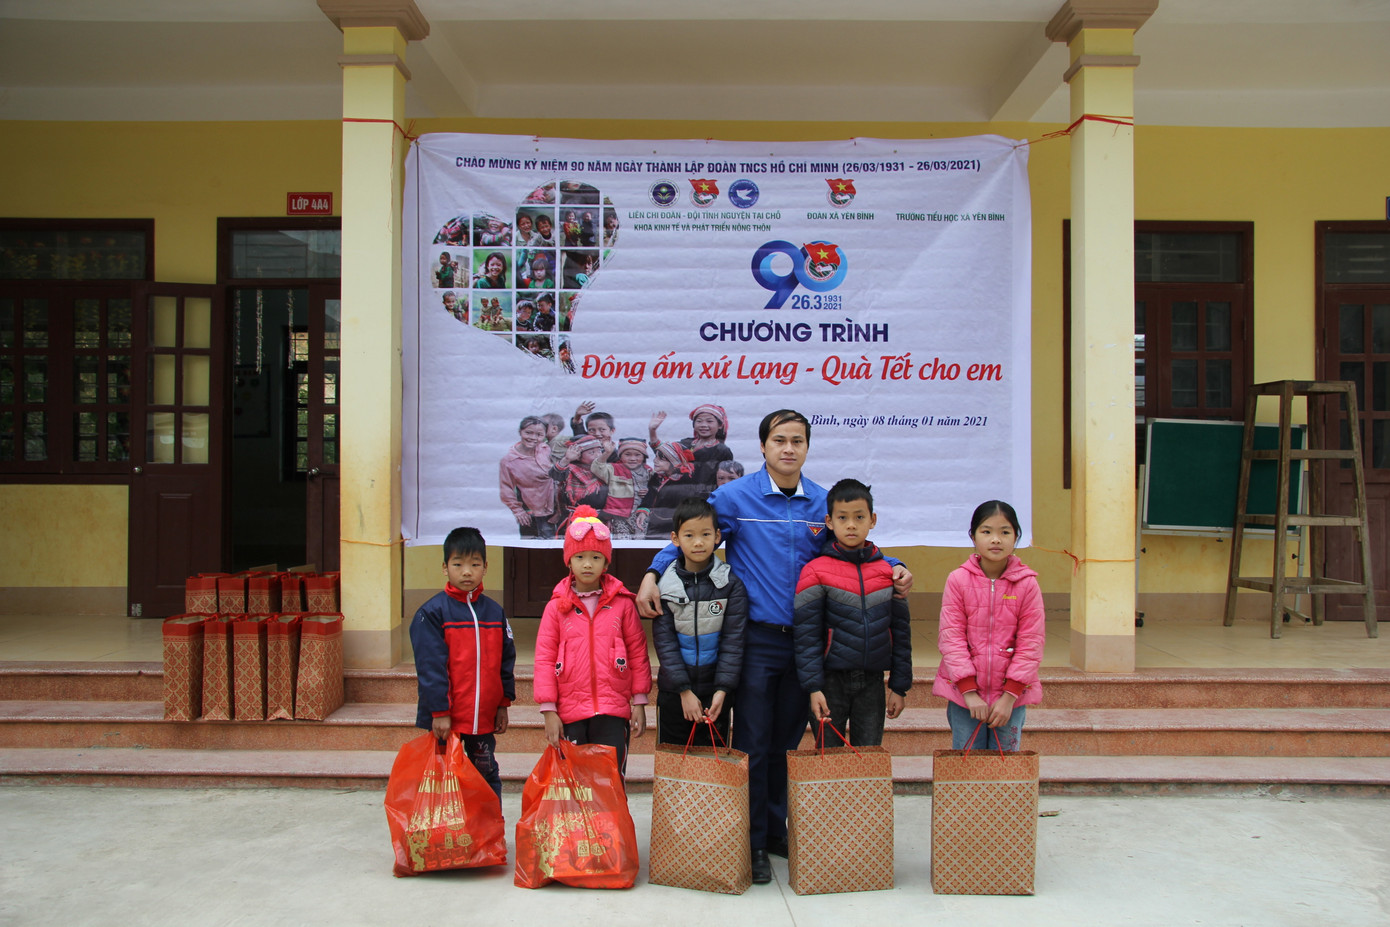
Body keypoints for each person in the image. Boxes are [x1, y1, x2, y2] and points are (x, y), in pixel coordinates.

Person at [636, 409, 912, 885]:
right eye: (779, 440)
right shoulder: (735, 498)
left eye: (797, 441)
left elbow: (855, 544)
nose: (788, 448)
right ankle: (753, 840)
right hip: (756, 639)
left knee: (787, 740)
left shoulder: (823, 502)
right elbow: (692, 531)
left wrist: (895, 565)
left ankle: (776, 826)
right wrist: (652, 572)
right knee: (754, 741)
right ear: (763, 447)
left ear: (807, 447)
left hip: (807, 642)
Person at [793, 479, 911, 747]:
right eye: (842, 517)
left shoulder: (888, 573)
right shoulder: (815, 571)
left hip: (872, 683)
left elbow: (901, 633)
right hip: (829, 684)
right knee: (828, 759)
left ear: (873, 520)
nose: (851, 525)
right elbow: (806, 636)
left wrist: (899, 687)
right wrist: (813, 688)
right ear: (829, 521)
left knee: (868, 758)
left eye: (859, 517)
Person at [534, 506, 651, 775]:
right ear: (569, 561)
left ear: (606, 563)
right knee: (577, 784)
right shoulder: (556, 607)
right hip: (570, 712)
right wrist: (549, 710)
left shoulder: (623, 604)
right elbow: (544, 659)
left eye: (596, 557)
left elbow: (637, 653)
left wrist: (639, 701)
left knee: (610, 781)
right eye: (580, 557)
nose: (588, 564)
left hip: (613, 711)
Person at [410, 527, 516, 803]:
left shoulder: (494, 612)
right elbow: (430, 668)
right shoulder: (431, 613)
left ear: (485, 567)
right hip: (447, 720)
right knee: (444, 777)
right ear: (445, 567)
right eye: (458, 564)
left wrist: (503, 703)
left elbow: (506, 660)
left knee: (486, 773)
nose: (467, 572)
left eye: (475, 564)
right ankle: (449, 829)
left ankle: (489, 827)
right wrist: (439, 712)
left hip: (483, 718)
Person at [932, 500, 1045, 752]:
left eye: (1005, 532)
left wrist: (1009, 696)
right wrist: (968, 692)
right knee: (967, 763)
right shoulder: (958, 580)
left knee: (1005, 765)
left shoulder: (1027, 584)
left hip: (1011, 700)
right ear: (973, 536)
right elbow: (951, 638)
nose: (996, 539)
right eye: (986, 531)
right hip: (964, 698)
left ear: (1016, 537)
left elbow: (1031, 643)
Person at [653, 497, 747, 748]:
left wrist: (722, 691)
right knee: (673, 762)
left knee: (714, 763)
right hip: (675, 694)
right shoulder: (664, 586)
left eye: (705, 534)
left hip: (715, 694)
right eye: (689, 535)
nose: (698, 542)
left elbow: (733, 643)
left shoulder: (730, 585)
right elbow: (665, 644)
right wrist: (684, 691)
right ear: (675, 539)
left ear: (717, 536)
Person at [649, 404, 733, 497]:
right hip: (678, 495)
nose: (704, 425)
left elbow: (726, 480)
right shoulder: (686, 443)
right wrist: (652, 431)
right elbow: (665, 454)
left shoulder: (722, 451)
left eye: (709, 421)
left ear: (720, 425)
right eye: (699, 421)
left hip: (703, 498)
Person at [500, 416, 556, 539]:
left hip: (554, 510)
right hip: (531, 512)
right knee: (530, 545)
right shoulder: (509, 461)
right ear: (520, 432)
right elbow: (506, 488)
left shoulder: (545, 449)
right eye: (528, 433)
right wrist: (518, 511)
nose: (533, 438)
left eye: (539, 434)